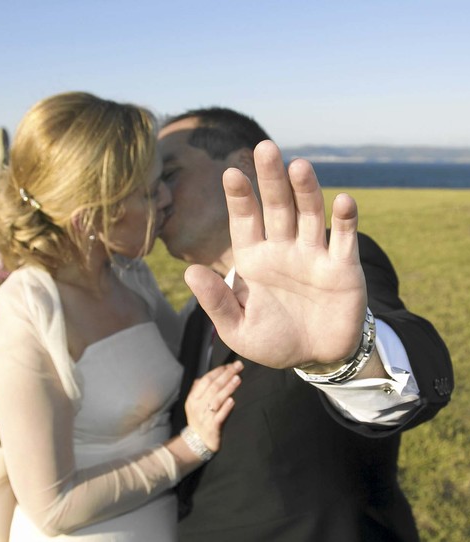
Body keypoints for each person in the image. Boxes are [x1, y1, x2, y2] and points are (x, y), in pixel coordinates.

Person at [157, 108, 454, 541]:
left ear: (243, 165)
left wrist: (347, 359)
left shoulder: (330, 267)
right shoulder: (201, 308)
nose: (158, 196)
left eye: (169, 174)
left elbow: (412, 358)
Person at [0, 92, 244, 541]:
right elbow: (53, 507)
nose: (167, 199)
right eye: (149, 192)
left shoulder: (131, 276)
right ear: (91, 217)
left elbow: (187, 354)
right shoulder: (27, 311)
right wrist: (189, 447)